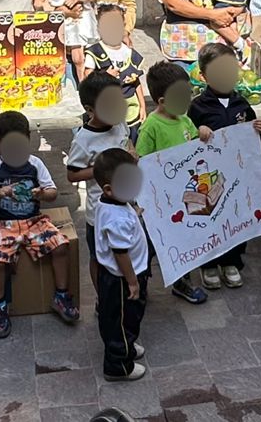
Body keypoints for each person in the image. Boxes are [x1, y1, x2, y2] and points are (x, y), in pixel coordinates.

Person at [0, 110, 79, 337]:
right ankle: (0, 306)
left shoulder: (35, 164)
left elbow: (52, 192)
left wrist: (40, 194)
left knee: (61, 246)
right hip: (3, 223)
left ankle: (61, 295)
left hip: (33, 221)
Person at [188, 43, 261, 289]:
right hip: (208, 175)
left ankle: (232, 261)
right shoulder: (197, 106)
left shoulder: (241, 103)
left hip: (237, 172)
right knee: (210, 216)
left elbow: (251, 132)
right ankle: (210, 263)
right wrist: (197, 132)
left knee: (236, 214)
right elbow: (186, 139)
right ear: (204, 76)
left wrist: (258, 129)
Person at [135, 60, 211, 304]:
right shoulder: (151, 127)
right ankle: (140, 283)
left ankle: (182, 282)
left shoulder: (185, 120)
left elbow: (194, 145)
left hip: (185, 196)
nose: (188, 100)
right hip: (160, 202)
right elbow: (141, 161)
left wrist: (203, 133)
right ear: (162, 102)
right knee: (152, 244)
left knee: (184, 240)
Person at [67, 72, 133, 289]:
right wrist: (104, 168)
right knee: (100, 257)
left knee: (125, 250)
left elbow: (128, 147)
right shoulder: (84, 140)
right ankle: (102, 297)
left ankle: (129, 286)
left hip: (128, 207)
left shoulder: (120, 124)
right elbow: (73, 174)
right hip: (100, 215)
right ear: (90, 109)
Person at [91, 147, 150, 382]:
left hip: (119, 276)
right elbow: (120, 252)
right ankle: (118, 365)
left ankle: (127, 346)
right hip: (122, 278)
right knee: (124, 320)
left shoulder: (110, 203)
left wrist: (133, 211)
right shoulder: (117, 217)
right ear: (108, 188)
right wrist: (132, 281)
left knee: (120, 317)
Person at [85, 3, 147, 137]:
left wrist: (142, 106)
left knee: (132, 142)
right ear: (99, 28)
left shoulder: (129, 53)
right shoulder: (95, 52)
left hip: (131, 110)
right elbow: (87, 79)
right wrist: (104, 76)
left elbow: (137, 83)